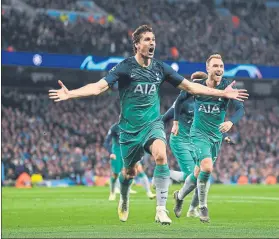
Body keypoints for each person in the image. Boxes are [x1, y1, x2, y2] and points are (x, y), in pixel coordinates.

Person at [49, 25, 248, 225]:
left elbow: (190, 87)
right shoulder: (125, 67)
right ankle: (124, 199)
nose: (152, 43)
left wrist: (223, 93)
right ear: (136, 45)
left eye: (153, 39)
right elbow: (98, 87)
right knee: (129, 173)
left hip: (153, 124)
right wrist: (71, 93)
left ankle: (161, 209)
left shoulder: (160, 68)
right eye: (146, 40)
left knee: (161, 156)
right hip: (129, 129)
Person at [173, 54, 245, 223]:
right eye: (215, 66)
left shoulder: (228, 86)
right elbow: (178, 102)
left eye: (221, 66)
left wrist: (230, 122)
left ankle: (180, 196)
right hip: (198, 134)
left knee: (198, 171)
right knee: (207, 167)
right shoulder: (197, 86)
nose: (219, 68)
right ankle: (203, 206)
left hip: (216, 136)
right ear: (208, 69)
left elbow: (240, 109)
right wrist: (176, 122)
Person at [162, 71, 236, 218]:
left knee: (200, 174)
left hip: (198, 139)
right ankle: (165, 174)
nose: (191, 85)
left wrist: (225, 135)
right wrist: (159, 132)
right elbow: (165, 117)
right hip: (181, 140)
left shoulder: (206, 100)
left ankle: (191, 208)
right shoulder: (183, 99)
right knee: (199, 175)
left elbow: (212, 123)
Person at [104, 123, 156, 201]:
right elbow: (106, 142)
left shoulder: (132, 126)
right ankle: (112, 192)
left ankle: (149, 192)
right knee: (115, 174)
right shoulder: (114, 128)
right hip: (117, 152)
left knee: (139, 169)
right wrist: (111, 152)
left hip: (129, 150)